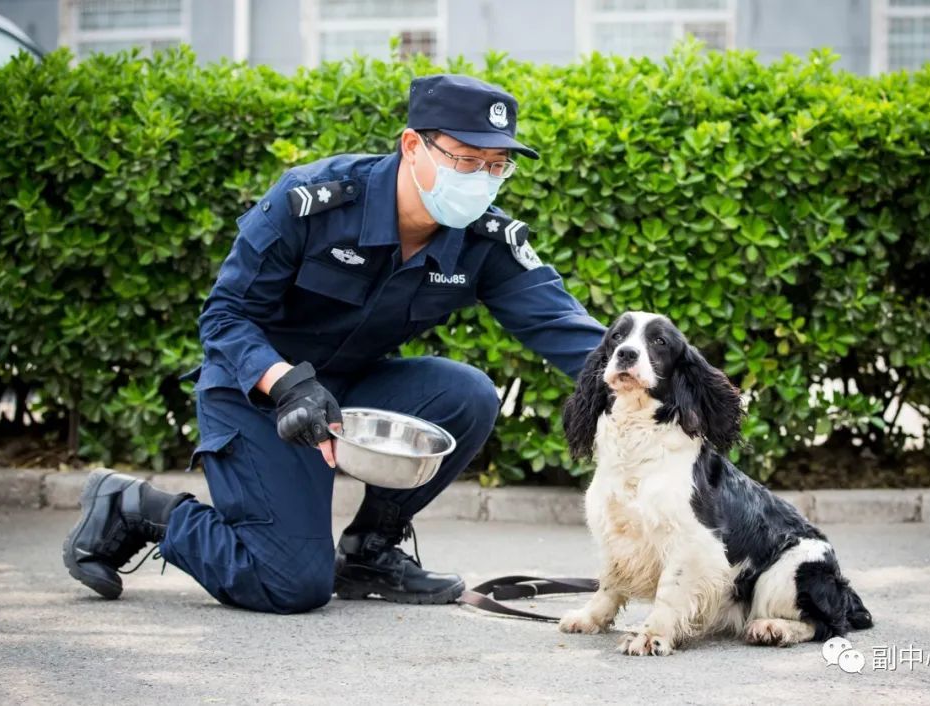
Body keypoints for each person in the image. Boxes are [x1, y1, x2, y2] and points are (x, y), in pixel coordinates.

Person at [62, 74, 606, 614]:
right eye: (466, 159)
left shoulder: (486, 240)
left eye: (496, 166)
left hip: (350, 387)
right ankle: (141, 509)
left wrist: (679, 400)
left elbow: (567, 330)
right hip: (257, 393)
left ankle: (371, 551)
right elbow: (224, 317)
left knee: (468, 395)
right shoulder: (312, 203)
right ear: (413, 145)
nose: (482, 178)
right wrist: (285, 384)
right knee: (291, 586)